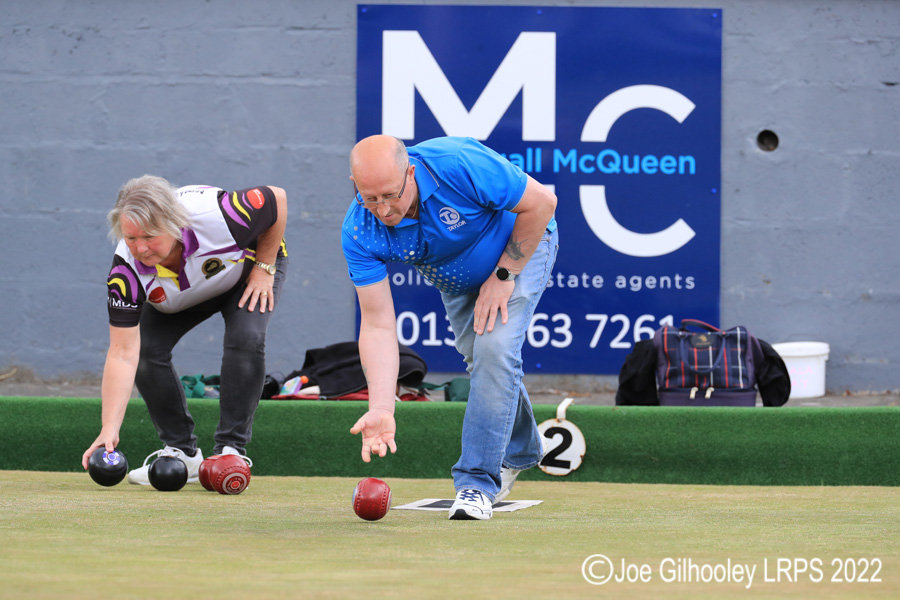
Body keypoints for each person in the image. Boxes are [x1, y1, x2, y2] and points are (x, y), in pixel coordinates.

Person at [343, 135, 558, 520]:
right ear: (354, 186)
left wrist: (504, 274)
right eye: (370, 198)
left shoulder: (458, 163)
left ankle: (476, 483)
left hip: (519, 249)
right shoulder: (359, 231)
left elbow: (542, 203)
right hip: (456, 281)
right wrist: (381, 405)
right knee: (485, 363)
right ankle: (521, 450)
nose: (384, 209)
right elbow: (376, 325)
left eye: (392, 195)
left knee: (495, 350)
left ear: (410, 173)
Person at [81, 175, 288, 484]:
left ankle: (230, 450)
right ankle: (183, 452)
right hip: (179, 297)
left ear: (173, 223)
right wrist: (109, 429)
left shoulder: (219, 215)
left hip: (246, 272)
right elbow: (123, 353)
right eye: (131, 238)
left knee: (246, 337)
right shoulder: (125, 272)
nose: (140, 248)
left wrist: (265, 267)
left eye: (149, 236)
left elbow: (277, 198)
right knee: (146, 350)